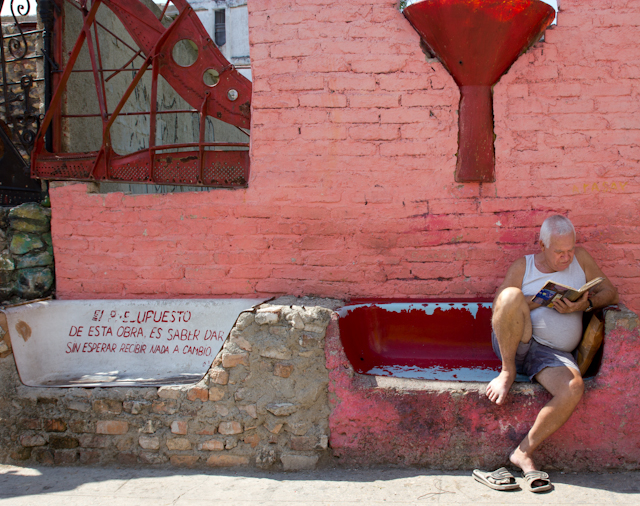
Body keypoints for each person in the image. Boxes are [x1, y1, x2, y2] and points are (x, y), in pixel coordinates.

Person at [473, 215, 618, 493]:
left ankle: (522, 452)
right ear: (542, 244)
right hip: (520, 342)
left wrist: (583, 306)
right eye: (559, 252)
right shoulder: (524, 266)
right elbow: (499, 306)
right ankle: (507, 371)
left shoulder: (581, 260)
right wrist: (539, 300)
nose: (566, 258)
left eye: (570, 250)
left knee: (574, 387)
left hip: (552, 355)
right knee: (511, 296)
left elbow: (611, 293)